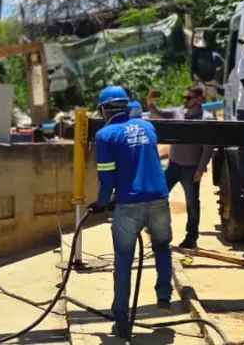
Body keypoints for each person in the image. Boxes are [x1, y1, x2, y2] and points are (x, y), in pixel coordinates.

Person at [90, 85, 172, 339]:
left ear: (104, 110)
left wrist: (102, 203)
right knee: (161, 246)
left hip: (129, 205)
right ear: (126, 105)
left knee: (124, 261)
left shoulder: (105, 135)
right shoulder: (148, 127)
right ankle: (163, 295)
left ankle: (122, 322)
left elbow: (107, 177)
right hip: (159, 197)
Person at [147, 87, 214, 249]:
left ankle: (191, 238)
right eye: (184, 97)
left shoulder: (206, 119)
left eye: (188, 97)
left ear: (199, 99)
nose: (185, 100)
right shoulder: (178, 113)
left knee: (192, 205)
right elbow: (159, 113)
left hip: (191, 170)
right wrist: (150, 103)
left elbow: (208, 146)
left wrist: (201, 168)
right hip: (173, 166)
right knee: (157, 196)